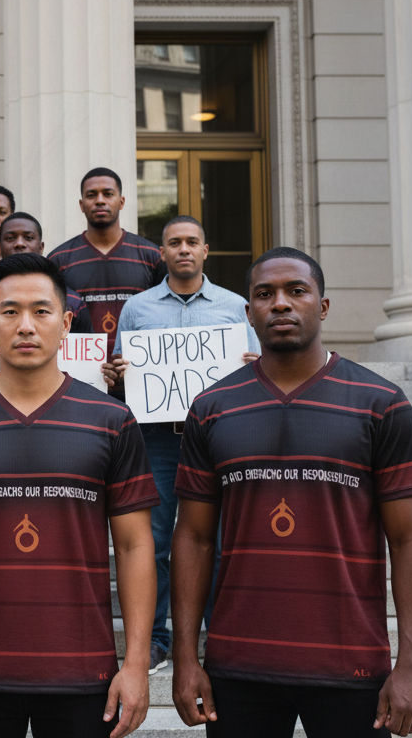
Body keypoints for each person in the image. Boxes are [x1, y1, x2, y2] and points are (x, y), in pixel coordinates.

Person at [170, 247, 412, 738]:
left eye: (297, 291)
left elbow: (410, 541)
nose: (281, 304)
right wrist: (186, 658)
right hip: (238, 666)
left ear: (323, 306)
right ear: (248, 313)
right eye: (265, 294)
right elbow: (193, 539)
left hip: (350, 667)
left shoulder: (381, 404)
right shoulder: (211, 408)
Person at [0, 253, 159, 738]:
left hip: (85, 673)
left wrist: (137, 663)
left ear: (65, 323)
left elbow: (134, 545)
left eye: (41, 311)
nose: (26, 326)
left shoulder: (110, 421)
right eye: (10, 311)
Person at [98, 215, 260, 675]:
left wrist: (255, 365)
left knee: (223, 540)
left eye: (192, 242)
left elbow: (261, 376)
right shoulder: (138, 309)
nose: (183, 249)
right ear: (162, 254)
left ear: (205, 251)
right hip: (159, 442)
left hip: (218, 441)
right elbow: (122, 377)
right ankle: (155, 639)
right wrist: (117, 377)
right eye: (174, 243)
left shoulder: (235, 308)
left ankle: (218, 634)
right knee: (153, 541)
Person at [48, 167, 165, 355]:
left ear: (121, 201)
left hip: (139, 371)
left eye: (108, 194)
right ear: (81, 204)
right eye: (91, 195)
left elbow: (165, 314)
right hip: (81, 374)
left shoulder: (151, 256)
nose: (100, 200)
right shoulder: (58, 260)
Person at [0, 212, 93, 337]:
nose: (19, 244)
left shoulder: (73, 302)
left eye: (28, 238)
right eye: (10, 238)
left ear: (41, 247)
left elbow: (89, 357)